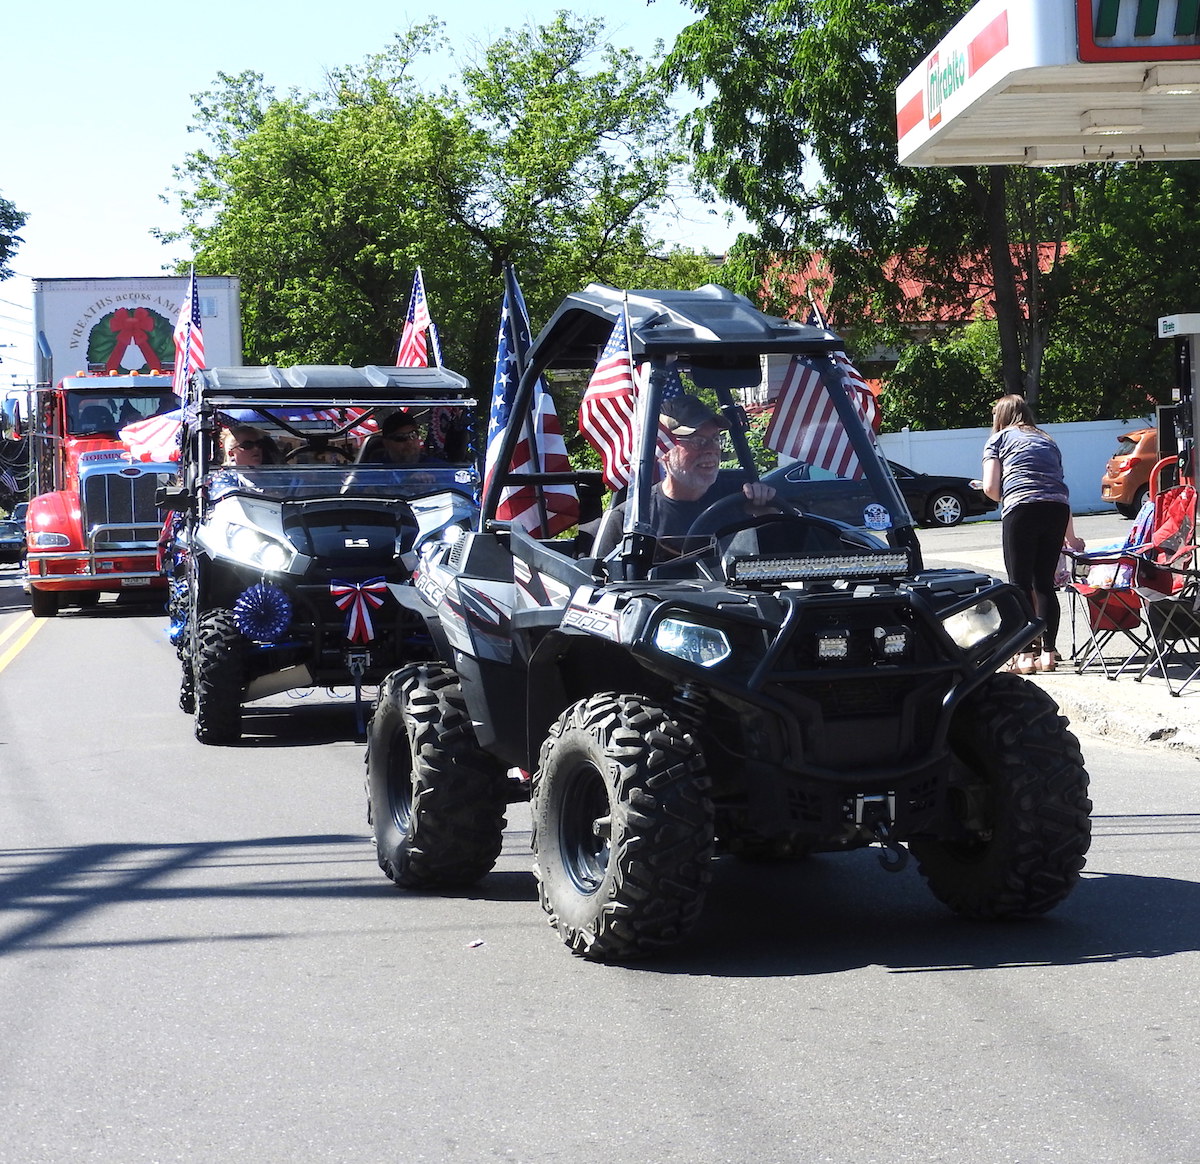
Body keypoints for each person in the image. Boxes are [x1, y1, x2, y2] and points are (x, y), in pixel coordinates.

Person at [593, 396, 775, 557]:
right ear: (663, 449)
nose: (711, 449)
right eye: (697, 441)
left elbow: (781, 564)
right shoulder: (632, 518)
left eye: (715, 439)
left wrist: (769, 518)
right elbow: (600, 585)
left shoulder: (743, 501)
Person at [980, 394, 1084, 674]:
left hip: (1022, 509)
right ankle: (1048, 654)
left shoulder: (999, 439)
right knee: (1044, 584)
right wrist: (1071, 537)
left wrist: (1004, 492)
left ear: (1001, 416)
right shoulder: (1047, 439)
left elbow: (991, 488)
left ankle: (1024, 656)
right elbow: (1057, 485)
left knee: (1019, 584)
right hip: (1056, 509)